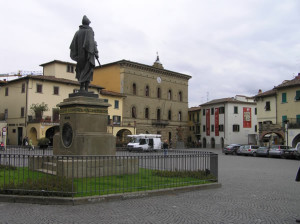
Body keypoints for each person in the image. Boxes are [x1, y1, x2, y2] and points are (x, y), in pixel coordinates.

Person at [70, 15, 99, 91]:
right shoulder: (89, 31)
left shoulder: (77, 32)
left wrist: (77, 55)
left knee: (81, 70)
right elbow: (92, 43)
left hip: (80, 57)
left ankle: (82, 88)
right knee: (88, 71)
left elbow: (73, 45)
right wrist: (96, 52)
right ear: (88, 23)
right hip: (88, 56)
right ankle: (86, 89)